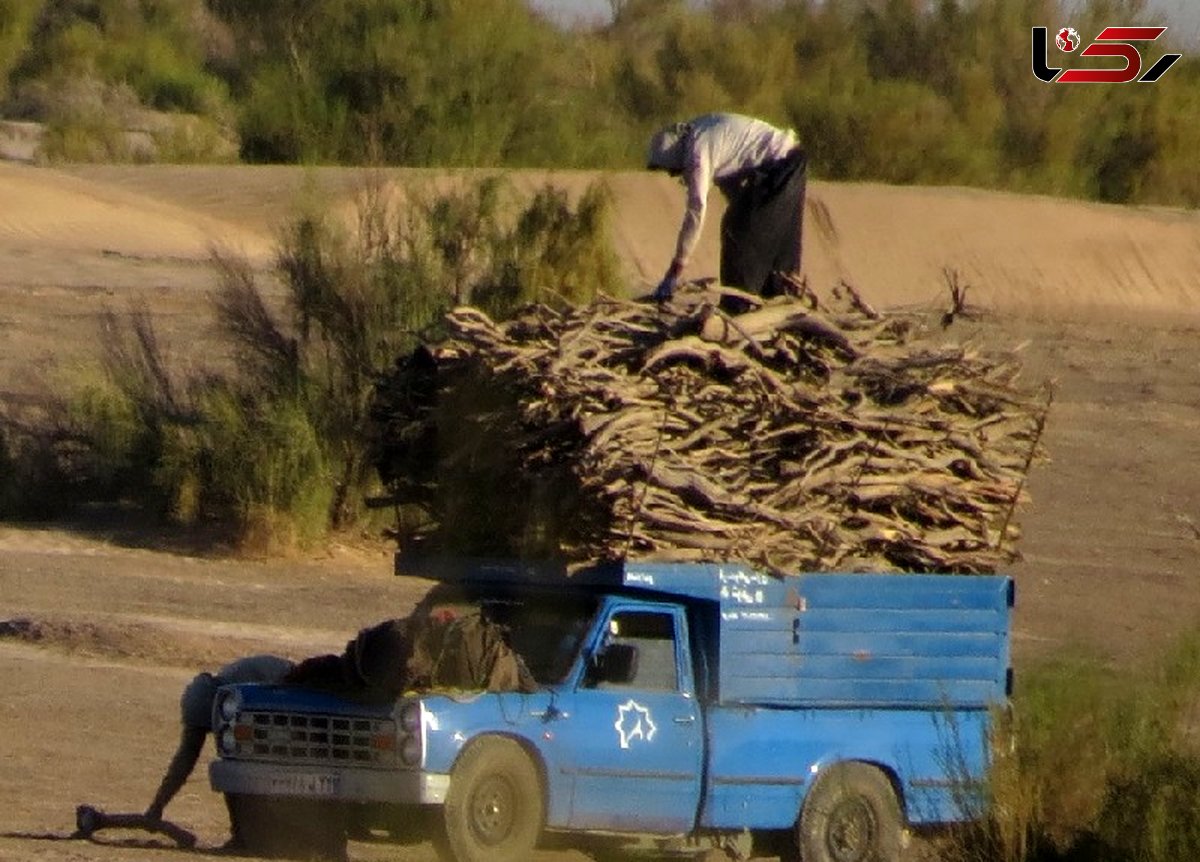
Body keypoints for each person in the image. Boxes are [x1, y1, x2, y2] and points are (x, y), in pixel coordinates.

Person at [646, 112, 808, 303]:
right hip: (790, 161)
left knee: (738, 231)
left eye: (671, 170)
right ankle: (777, 297)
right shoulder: (699, 132)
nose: (674, 175)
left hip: (781, 167)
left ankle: (740, 305)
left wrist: (676, 269)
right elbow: (733, 188)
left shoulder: (697, 154)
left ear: (673, 156)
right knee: (767, 233)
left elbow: (696, 211)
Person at [145, 654, 294, 824]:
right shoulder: (216, 699)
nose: (199, 736)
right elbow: (184, 761)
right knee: (232, 769)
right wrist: (158, 805)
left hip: (285, 698)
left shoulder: (240, 697)